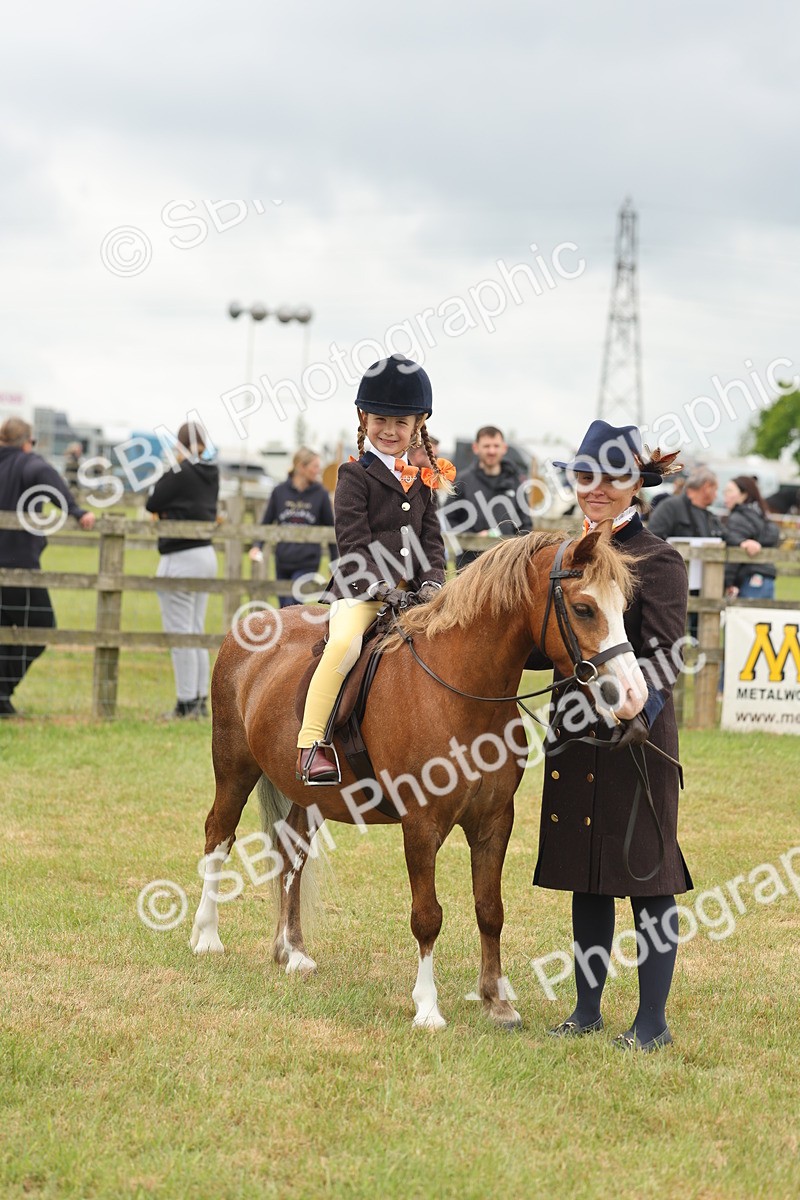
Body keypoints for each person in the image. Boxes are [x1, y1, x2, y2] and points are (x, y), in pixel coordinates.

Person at [531, 420, 692, 1052]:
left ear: (634, 484)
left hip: (637, 738)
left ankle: (652, 1021)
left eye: (611, 477)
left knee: (646, 877)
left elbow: (671, 653)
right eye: (585, 475)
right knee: (587, 874)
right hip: (575, 732)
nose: (595, 488)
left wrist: (634, 711)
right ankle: (586, 1009)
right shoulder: (567, 556)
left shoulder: (659, 559)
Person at [296, 354, 455, 784]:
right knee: (345, 644)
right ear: (363, 419)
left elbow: (430, 541)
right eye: (381, 420)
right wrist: (380, 587)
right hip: (360, 590)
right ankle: (312, 744)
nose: (390, 430)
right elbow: (352, 541)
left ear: (417, 425)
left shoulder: (424, 479)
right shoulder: (353, 475)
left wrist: (434, 586)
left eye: (401, 423)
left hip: (415, 595)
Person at [0, 418, 96, 716]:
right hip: (18, 566)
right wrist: (76, 510)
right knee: (42, 626)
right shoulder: (27, 463)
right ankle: (2, 689)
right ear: (28, 442)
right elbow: (46, 477)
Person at [146, 421, 219, 719]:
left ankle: (185, 701)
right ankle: (198, 698)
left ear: (179, 444)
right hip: (205, 554)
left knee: (180, 634)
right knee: (195, 630)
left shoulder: (180, 470)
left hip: (180, 555)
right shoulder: (211, 471)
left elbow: (152, 500)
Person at [249, 448, 336, 607]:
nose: (319, 470)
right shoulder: (279, 491)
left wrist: (334, 564)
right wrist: (257, 546)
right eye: (315, 466)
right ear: (301, 467)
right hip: (283, 561)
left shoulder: (321, 494)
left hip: (307, 563)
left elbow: (330, 531)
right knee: (283, 608)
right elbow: (267, 523)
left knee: (292, 605)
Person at [442, 425, 532, 570]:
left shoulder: (516, 482)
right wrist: (472, 538)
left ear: (504, 448)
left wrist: (515, 548)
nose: (491, 451)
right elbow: (449, 517)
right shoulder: (463, 480)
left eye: (496, 446)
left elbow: (526, 524)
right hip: (470, 564)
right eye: (486, 446)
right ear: (476, 448)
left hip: (506, 565)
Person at [722, 476, 780, 600]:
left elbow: (735, 554)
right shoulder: (760, 515)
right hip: (766, 578)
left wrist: (730, 582)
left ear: (744, 495)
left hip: (748, 580)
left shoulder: (738, 518)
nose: (725, 495)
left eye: (730, 491)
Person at [647, 466, 722, 539]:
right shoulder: (670, 508)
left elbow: (726, 536)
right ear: (707, 487)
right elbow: (652, 541)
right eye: (715, 489)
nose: (716, 495)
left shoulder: (709, 516)